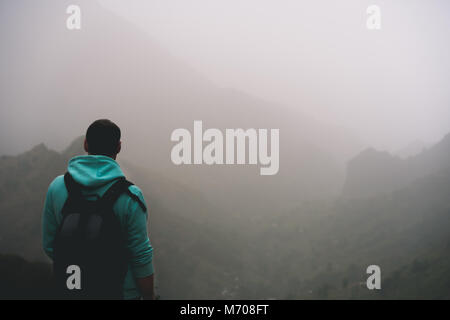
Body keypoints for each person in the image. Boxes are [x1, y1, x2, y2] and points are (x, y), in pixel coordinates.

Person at [42, 119, 154, 299]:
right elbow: (141, 257)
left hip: (71, 289)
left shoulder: (57, 187)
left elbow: (50, 245)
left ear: (85, 144)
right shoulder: (130, 197)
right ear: (118, 147)